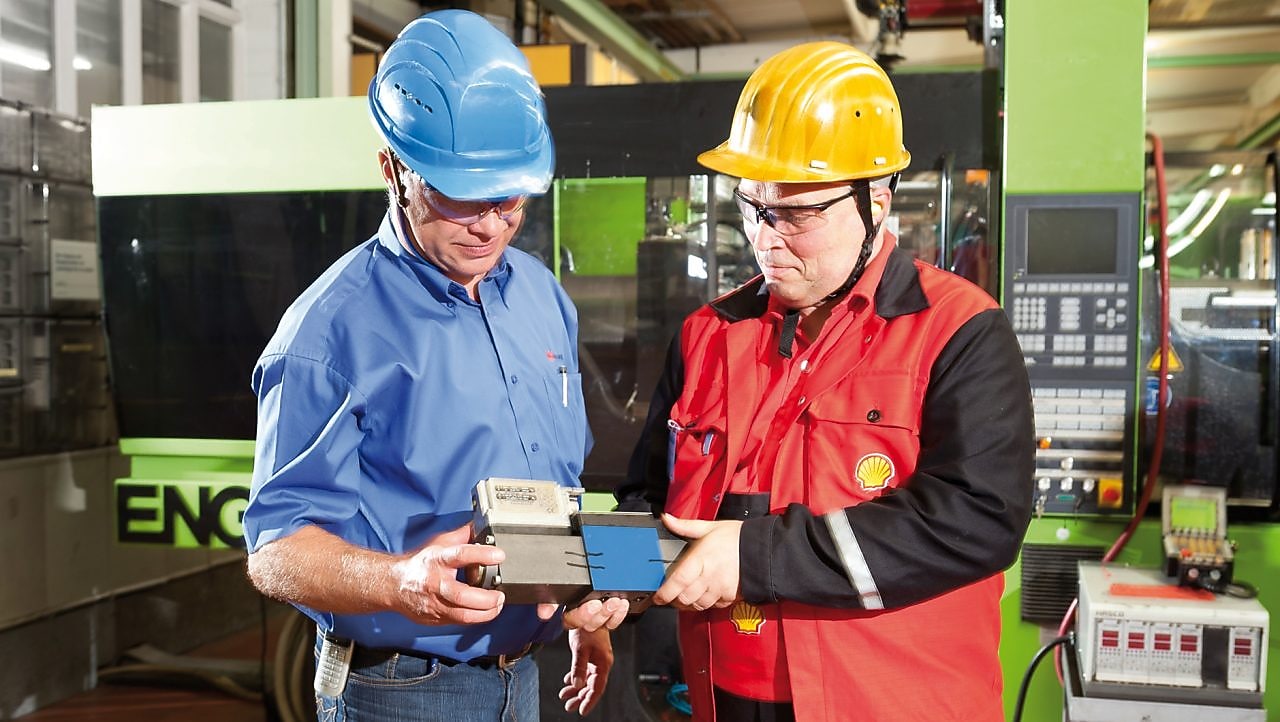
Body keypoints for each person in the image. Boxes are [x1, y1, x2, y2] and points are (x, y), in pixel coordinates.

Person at [618, 41, 1034, 721]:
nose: (765, 238)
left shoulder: (960, 331)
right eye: (752, 207)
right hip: (719, 697)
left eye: (798, 214)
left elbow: (978, 519)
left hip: (889, 703)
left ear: (877, 198)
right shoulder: (706, 335)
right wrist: (611, 578)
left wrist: (757, 556)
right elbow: (650, 496)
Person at [243, 10, 627, 721]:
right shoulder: (328, 332)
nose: (489, 223)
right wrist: (399, 581)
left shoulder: (542, 296)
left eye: (508, 194)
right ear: (391, 168)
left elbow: (553, 486)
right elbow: (274, 550)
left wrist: (576, 601)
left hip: (527, 672)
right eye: (458, 194)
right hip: (405, 690)